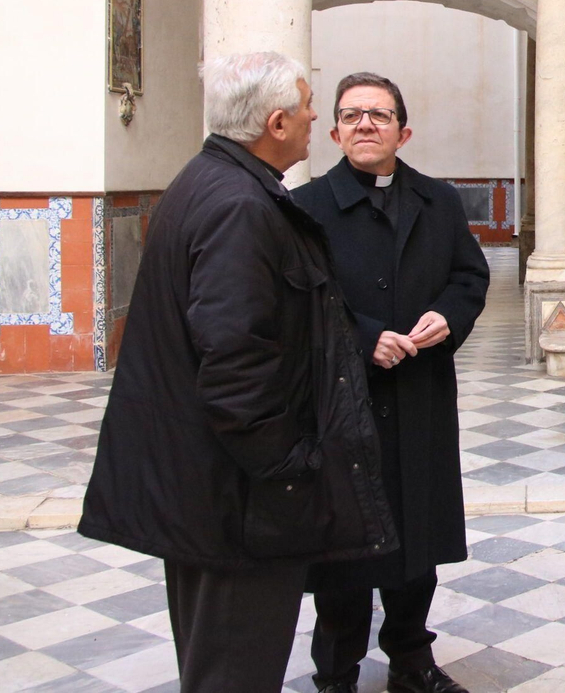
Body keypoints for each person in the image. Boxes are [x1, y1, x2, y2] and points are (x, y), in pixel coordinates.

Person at [79, 53, 395, 693]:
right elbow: (236, 364)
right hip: (237, 501)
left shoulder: (213, 182)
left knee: (218, 663)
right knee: (233, 670)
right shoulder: (239, 208)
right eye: (308, 107)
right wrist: (289, 467)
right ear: (276, 122)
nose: (315, 117)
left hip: (216, 490)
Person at [294, 73, 490, 693]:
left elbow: (470, 277)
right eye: (352, 116)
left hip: (419, 394)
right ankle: (336, 674)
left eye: (379, 116)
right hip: (343, 405)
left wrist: (449, 316)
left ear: (403, 131)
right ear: (333, 132)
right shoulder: (306, 209)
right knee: (343, 551)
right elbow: (298, 300)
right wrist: (362, 335)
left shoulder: (438, 201)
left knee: (417, 540)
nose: (365, 126)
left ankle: (410, 660)